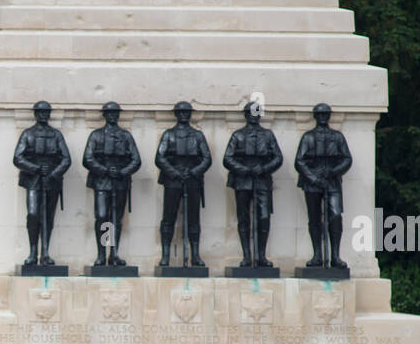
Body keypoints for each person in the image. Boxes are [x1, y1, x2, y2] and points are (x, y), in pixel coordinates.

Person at [223, 100, 283, 268]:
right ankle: (247, 256)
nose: (254, 116)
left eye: (257, 113)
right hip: (243, 181)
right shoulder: (238, 135)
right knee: (244, 219)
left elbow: (278, 157)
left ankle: (261, 256)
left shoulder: (268, 135)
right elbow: (228, 158)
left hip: (262, 180)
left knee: (263, 217)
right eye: (251, 113)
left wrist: (263, 168)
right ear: (246, 115)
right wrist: (243, 169)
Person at [12, 100, 72, 267]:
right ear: (36, 114)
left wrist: (54, 173)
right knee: (33, 215)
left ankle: (45, 252)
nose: (43, 115)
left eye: (46, 112)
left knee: (47, 216)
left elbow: (66, 159)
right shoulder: (28, 134)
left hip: (51, 181)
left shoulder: (56, 135)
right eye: (40, 112)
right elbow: (18, 158)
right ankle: (32, 252)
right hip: (33, 180)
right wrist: (36, 168)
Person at [83, 102, 141, 267]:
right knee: (102, 216)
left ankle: (114, 253)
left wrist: (122, 172)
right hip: (102, 181)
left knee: (116, 218)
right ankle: (102, 253)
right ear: (105, 115)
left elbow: (136, 160)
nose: (113, 116)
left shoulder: (126, 136)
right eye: (109, 113)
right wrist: (104, 170)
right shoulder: (96, 135)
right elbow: (87, 158)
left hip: (120, 182)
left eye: (115, 113)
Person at [294, 102, 352, 268]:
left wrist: (333, 172)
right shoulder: (308, 137)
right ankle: (317, 255)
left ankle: (335, 256)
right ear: (315, 117)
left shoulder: (337, 137)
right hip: (312, 182)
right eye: (319, 115)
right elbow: (300, 161)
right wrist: (313, 177)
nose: (322, 118)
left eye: (325, 114)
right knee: (314, 218)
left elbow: (347, 159)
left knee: (335, 217)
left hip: (332, 181)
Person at [154, 101, 212, 267]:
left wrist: (193, 172)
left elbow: (207, 158)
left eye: (187, 112)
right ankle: (165, 255)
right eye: (181, 112)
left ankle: (195, 255)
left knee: (193, 219)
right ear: (176, 114)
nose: (184, 115)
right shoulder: (168, 134)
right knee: (168, 218)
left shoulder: (198, 135)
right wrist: (174, 173)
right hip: (173, 181)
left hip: (192, 180)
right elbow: (160, 157)